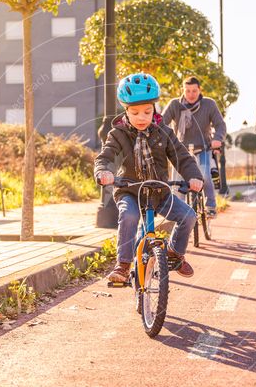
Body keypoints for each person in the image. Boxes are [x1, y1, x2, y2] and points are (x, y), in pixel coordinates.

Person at [95, 73, 204, 283]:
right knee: (129, 217)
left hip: (159, 193)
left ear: (154, 108)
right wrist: (103, 172)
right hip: (130, 192)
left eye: (147, 111)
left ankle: (174, 253)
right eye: (135, 112)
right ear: (125, 111)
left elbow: (182, 157)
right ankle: (123, 266)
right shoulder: (117, 134)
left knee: (188, 216)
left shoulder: (164, 132)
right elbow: (105, 157)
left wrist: (194, 177)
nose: (142, 117)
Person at [161, 76, 226, 218]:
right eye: (188, 91)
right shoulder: (174, 105)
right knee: (177, 185)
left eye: (194, 91)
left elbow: (220, 125)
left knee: (205, 175)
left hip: (202, 148)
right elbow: (162, 123)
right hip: (180, 151)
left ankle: (210, 206)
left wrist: (217, 139)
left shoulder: (209, 104)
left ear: (199, 90)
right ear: (183, 91)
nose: (191, 94)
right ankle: (179, 213)